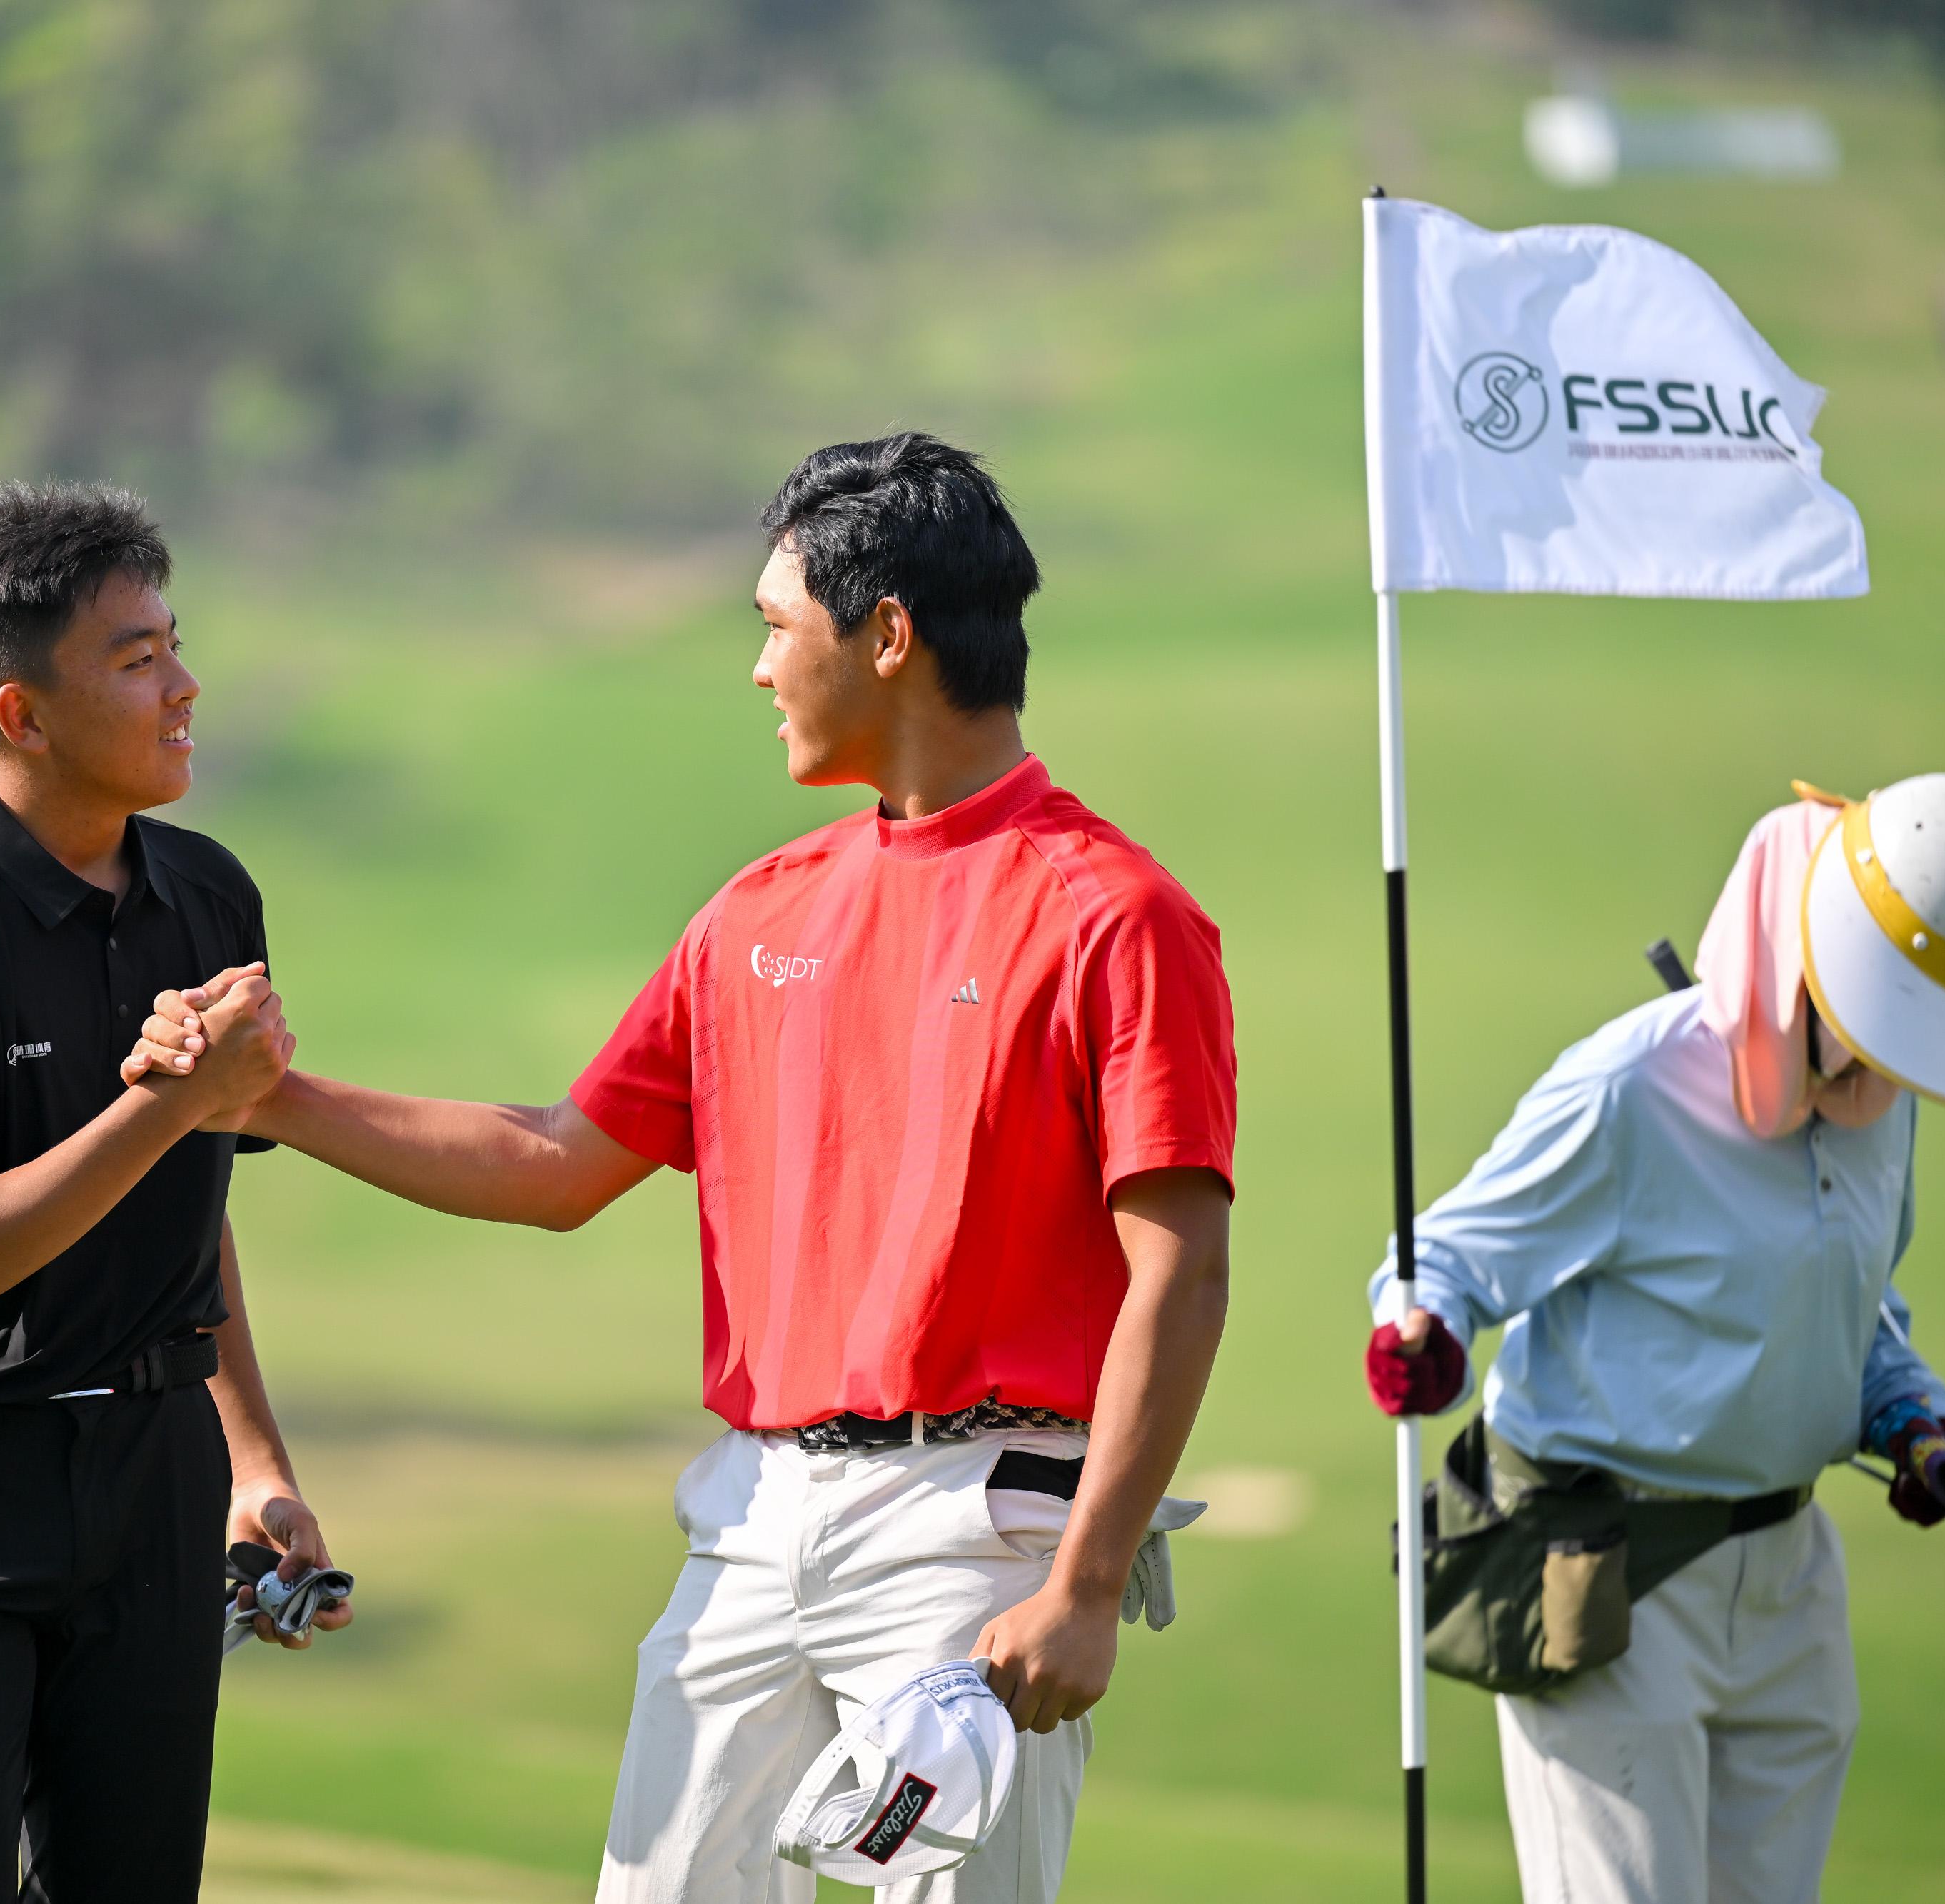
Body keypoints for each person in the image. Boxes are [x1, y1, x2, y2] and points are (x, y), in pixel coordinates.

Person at [127, 433, 1238, 1900]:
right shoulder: (756, 913)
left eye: (777, 624)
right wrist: (267, 1099)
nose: (759, 666)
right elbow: (556, 1159)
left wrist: (1087, 1584)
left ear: (888, 634)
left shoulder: (1113, 915)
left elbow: (1181, 1263)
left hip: (977, 1531)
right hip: (753, 1516)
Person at [0, 480, 346, 1904]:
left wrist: (256, 1460)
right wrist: (162, 1099)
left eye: (171, 642)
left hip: (153, 1473)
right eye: (134, 658)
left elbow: (188, 1210)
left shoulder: (209, 898)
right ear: (19, 712)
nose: (181, 686)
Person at [1365, 775, 1945, 1904]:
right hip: (1609, 1575)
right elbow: (1439, 1262)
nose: (1886, 1067)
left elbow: (1858, 1301)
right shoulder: (1626, 1090)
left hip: (1790, 1586)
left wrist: (1910, 1413)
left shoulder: (1884, 1102)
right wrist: (1422, 1333)